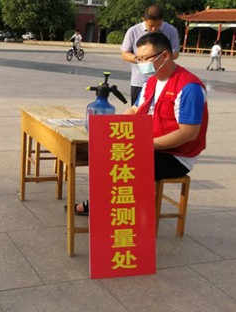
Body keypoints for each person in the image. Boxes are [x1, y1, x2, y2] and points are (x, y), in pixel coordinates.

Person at [74, 32, 208, 215]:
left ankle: (105, 206)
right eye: (139, 59)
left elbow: (188, 133)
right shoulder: (152, 82)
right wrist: (113, 129)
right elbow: (135, 109)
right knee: (105, 153)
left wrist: (146, 145)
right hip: (150, 145)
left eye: (146, 58)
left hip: (176, 155)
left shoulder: (188, 87)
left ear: (165, 55)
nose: (142, 63)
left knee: (124, 163)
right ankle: (109, 202)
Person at [121, 5, 180, 105]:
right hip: (139, 81)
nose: (154, 29)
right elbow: (124, 54)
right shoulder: (133, 31)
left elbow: (175, 53)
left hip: (163, 81)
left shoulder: (171, 31)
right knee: (138, 110)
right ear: (144, 19)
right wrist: (142, 60)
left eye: (158, 25)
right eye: (151, 25)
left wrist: (159, 58)